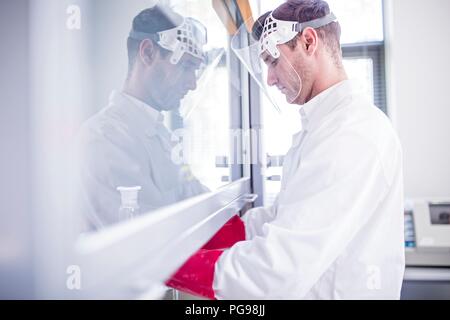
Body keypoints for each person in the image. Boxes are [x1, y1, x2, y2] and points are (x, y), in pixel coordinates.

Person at [166, 0, 405, 299]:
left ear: (308, 42)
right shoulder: (320, 130)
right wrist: (209, 233)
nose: (270, 78)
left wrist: (165, 266)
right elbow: (283, 219)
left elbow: (275, 272)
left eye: (273, 60)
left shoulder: (351, 135)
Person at [77, 5, 208, 230]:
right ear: (148, 53)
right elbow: (147, 239)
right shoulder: (102, 140)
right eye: (186, 66)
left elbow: (196, 198)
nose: (193, 83)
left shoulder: (160, 135)